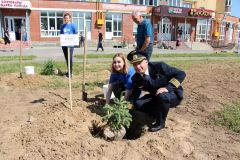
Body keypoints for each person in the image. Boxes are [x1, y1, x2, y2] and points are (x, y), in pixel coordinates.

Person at [127, 50, 186, 132]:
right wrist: (128, 109)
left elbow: (181, 74)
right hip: (155, 96)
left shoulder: (159, 66)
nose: (137, 66)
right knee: (138, 104)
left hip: (172, 94)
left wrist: (167, 88)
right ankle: (156, 113)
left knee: (162, 95)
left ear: (146, 62)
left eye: (139, 63)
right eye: (134, 64)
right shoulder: (136, 78)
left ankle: (161, 122)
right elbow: (134, 95)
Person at [60, 12, 77, 77]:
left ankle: (70, 73)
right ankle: (68, 72)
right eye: (65, 18)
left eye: (67, 18)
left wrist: (77, 37)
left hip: (70, 45)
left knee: (70, 59)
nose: (66, 19)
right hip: (64, 45)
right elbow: (61, 35)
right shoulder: (62, 26)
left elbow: (75, 34)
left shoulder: (73, 26)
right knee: (67, 59)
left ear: (70, 18)